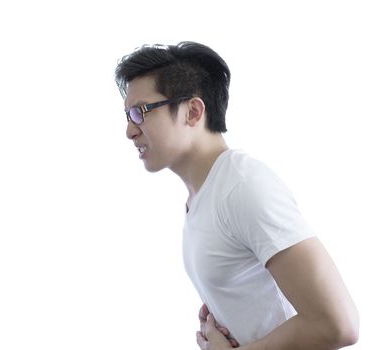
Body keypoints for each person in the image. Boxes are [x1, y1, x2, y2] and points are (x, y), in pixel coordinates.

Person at [114, 42, 359, 349]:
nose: (129, 130)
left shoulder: (243, 186)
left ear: (193, 111)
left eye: (140, 112)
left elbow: (338, 324)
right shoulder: (204, 194)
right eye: (127, 115)